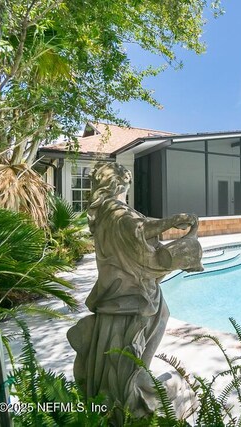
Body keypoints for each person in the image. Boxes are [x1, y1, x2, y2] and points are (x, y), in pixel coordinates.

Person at [67, 162, 202, 424]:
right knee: (143, 335)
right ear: (118, 184)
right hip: (131, 294)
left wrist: (166, 225)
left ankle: (133, 381)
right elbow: (138, 230)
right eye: (125, 184)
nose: (126, 189)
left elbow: (136, 228)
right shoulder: (114, 209)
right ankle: (134, 392)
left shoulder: (104, 211)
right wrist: (171, 223)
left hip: (118, 291)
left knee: (150, 326)